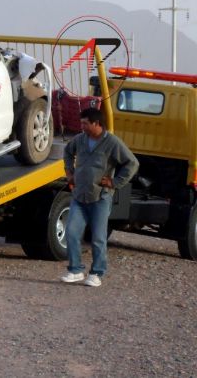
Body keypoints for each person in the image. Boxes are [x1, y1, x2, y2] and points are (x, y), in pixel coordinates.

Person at [60, 107, 138, 287]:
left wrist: (115, 182)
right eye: (81, 123)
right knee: (71, 232)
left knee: (98, 237)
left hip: (100, 198)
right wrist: (69, 172)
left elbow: (132, 163)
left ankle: (96, 273)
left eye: (85, 123)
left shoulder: (112, 142)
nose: (82, 126)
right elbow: (68, 152)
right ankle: (75, 270)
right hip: (79, 195)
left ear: (97, 124)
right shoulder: (80, 140)